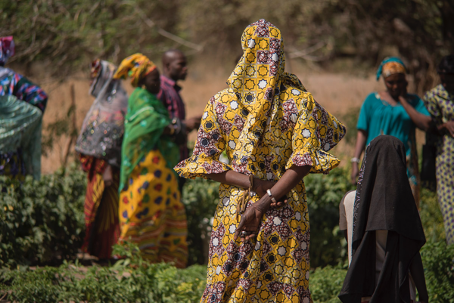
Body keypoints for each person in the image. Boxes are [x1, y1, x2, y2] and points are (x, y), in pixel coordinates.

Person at [175, 19, 346, 302]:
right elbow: (305, 160)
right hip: (285, 205)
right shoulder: (299, 101)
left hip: (236, 211)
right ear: (280, 52)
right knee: (283, 287)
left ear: (246, 52)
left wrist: (251, 185)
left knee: (228, 287)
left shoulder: (220, 102)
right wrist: (266, 197)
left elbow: (204, 163)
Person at [113, 53, 188, 268]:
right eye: (153, 80)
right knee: (142, 211)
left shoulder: (150, 100)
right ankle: (136, 260)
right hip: (143, 171)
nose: (157, 84)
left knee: (164, 213)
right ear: (141, 81)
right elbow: (149, 122)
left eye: (157, 79)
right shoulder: (140, 98)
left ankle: (165, 261)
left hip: (158, 172)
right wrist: (176, 127)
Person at [339, 136, 428, 303]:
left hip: (362, 292)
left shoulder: (349, 200)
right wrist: (424, 296)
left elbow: (352, 242)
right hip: (399, 293)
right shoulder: (404, 208)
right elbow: (412, 255)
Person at [351, 57, 431, 206]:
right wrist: (355, 160)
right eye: (390, 82)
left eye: (399, 81)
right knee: (377, 209)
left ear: (405, 81)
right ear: (384, 81)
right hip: (376, 164)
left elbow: (426, 123)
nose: (395, 86)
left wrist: (402, 99)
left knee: (405, 211)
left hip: (405, 165)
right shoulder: (372, 100)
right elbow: (362, 131)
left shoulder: (413, 102)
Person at [75, 59, 128, 260]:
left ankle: (107, 253)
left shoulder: (117, 104)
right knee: (95, 207)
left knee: (105, 210)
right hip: (98, 166)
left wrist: (108, 168)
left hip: (107, 169)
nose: (91, 83)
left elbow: (115, 141)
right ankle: (94, 250)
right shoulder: (106, 101)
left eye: (94, 79)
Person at [0, 36, 48, 180]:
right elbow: (40, 97)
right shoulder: (13, 80)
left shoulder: (12, 79)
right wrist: (17, 126)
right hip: (9, 149)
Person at [158, 49, 202, 192]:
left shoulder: (173, 90)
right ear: (168, 66)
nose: (185, 68)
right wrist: (184, 125)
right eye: (181, 64)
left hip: (178, 159)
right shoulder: (161, 89)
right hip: (166, 161)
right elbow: (156, 123)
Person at [424, 54, 454, 245]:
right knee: (450, 212)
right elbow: (429, 128)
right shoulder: (434, 96)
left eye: (448, 75)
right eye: (441, 74)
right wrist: (444, 126)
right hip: (446, 159)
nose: (444, 78)